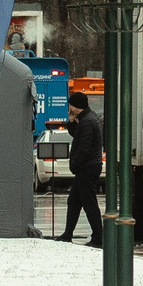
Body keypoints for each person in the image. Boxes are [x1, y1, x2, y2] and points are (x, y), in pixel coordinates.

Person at [53, 91, 103, 245]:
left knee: (89, 202)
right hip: (90, 166)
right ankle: (68, 233)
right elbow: (78, 135)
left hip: (87, 167)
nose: (69, 108)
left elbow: (84, 147)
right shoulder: (89, 118)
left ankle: (98, 237)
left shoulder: (87, 122)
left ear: (76, 106)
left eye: (71, 105)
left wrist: (74, 164)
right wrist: (71, 121)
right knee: (74, 201)